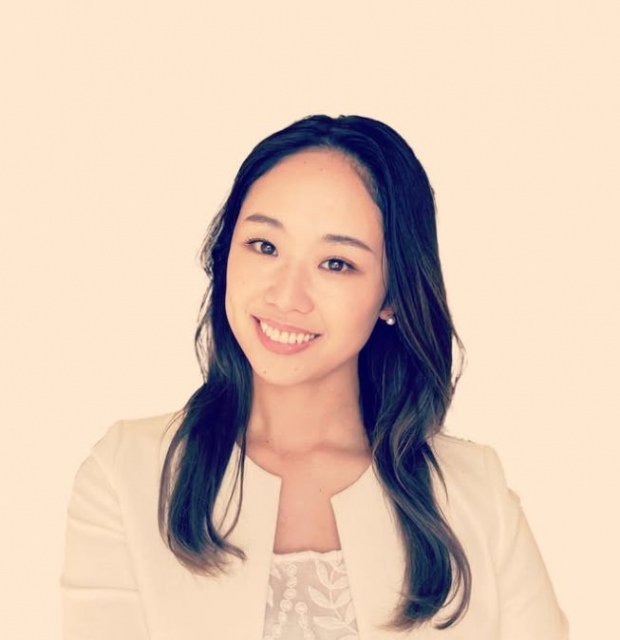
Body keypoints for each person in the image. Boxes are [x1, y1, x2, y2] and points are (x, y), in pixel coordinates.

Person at [61, 114, 569, 639]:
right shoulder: (126, 475)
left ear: (392, 295)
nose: (287, 296)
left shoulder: (475, 493)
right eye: (264, 246)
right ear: (225, 254)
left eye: (336, 263)